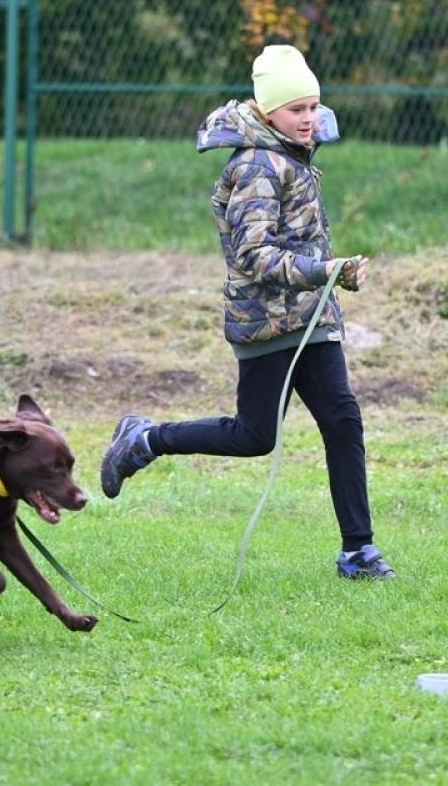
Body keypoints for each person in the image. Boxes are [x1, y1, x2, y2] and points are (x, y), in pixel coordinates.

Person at [100, 43, 396, 580]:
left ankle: (359, 551)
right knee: (254, 437)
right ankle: (146, 439)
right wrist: (326, 269)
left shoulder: (292, 156)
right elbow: (255, 256)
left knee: (343, 421)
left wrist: (330, 278)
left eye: (313, 107)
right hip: (268, 324)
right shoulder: (257, 166)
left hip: (312, 320)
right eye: (296, 110)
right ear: (267, 112)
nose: (309, 120)